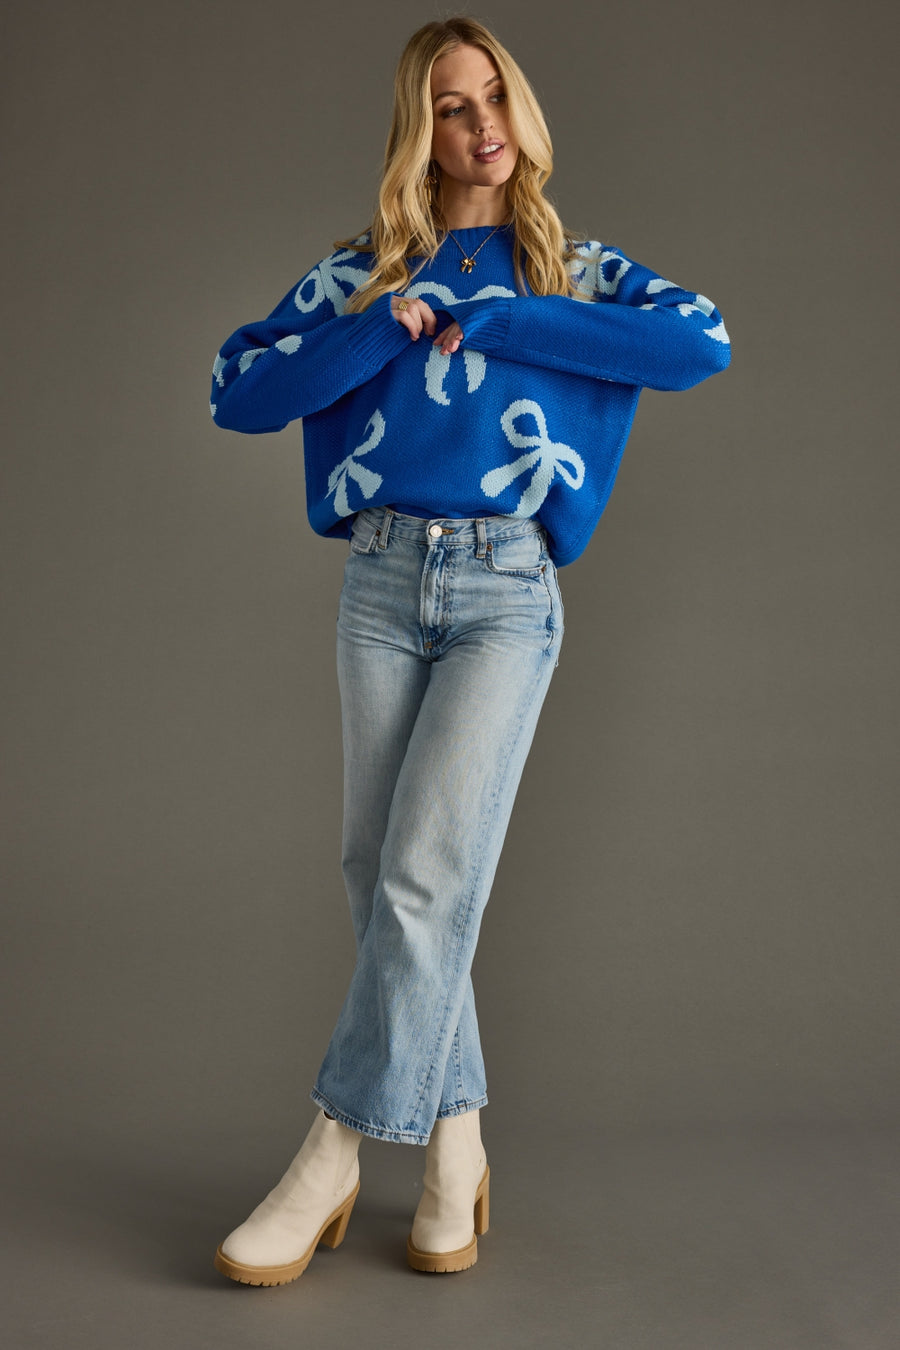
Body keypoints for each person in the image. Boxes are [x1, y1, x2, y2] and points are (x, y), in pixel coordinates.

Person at [208, 16, 730, 1285]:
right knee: (379, 869)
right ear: (418, 129)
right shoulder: (362, 277)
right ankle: (456, 1144)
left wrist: (496, 319)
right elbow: (240, 388)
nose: (483, 124)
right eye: (451, 105)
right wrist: (398, 321)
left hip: (505, 587)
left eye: (497, 97)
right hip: (381, 579)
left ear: (523, 112)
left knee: (423, 880)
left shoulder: (576, 270)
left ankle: (331, 1151)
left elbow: (698, 341)